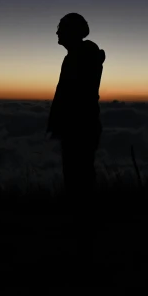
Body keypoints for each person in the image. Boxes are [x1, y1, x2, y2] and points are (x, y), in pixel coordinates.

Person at [47, 13, 105, 204]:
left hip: (79, 128)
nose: (57, 33)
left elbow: (74, 95)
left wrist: (61, 120)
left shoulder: (82, 55)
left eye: (61, 28)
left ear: (71, 32)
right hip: (78, 126)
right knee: (78, 176)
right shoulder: (76, 56)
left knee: (78, 179)